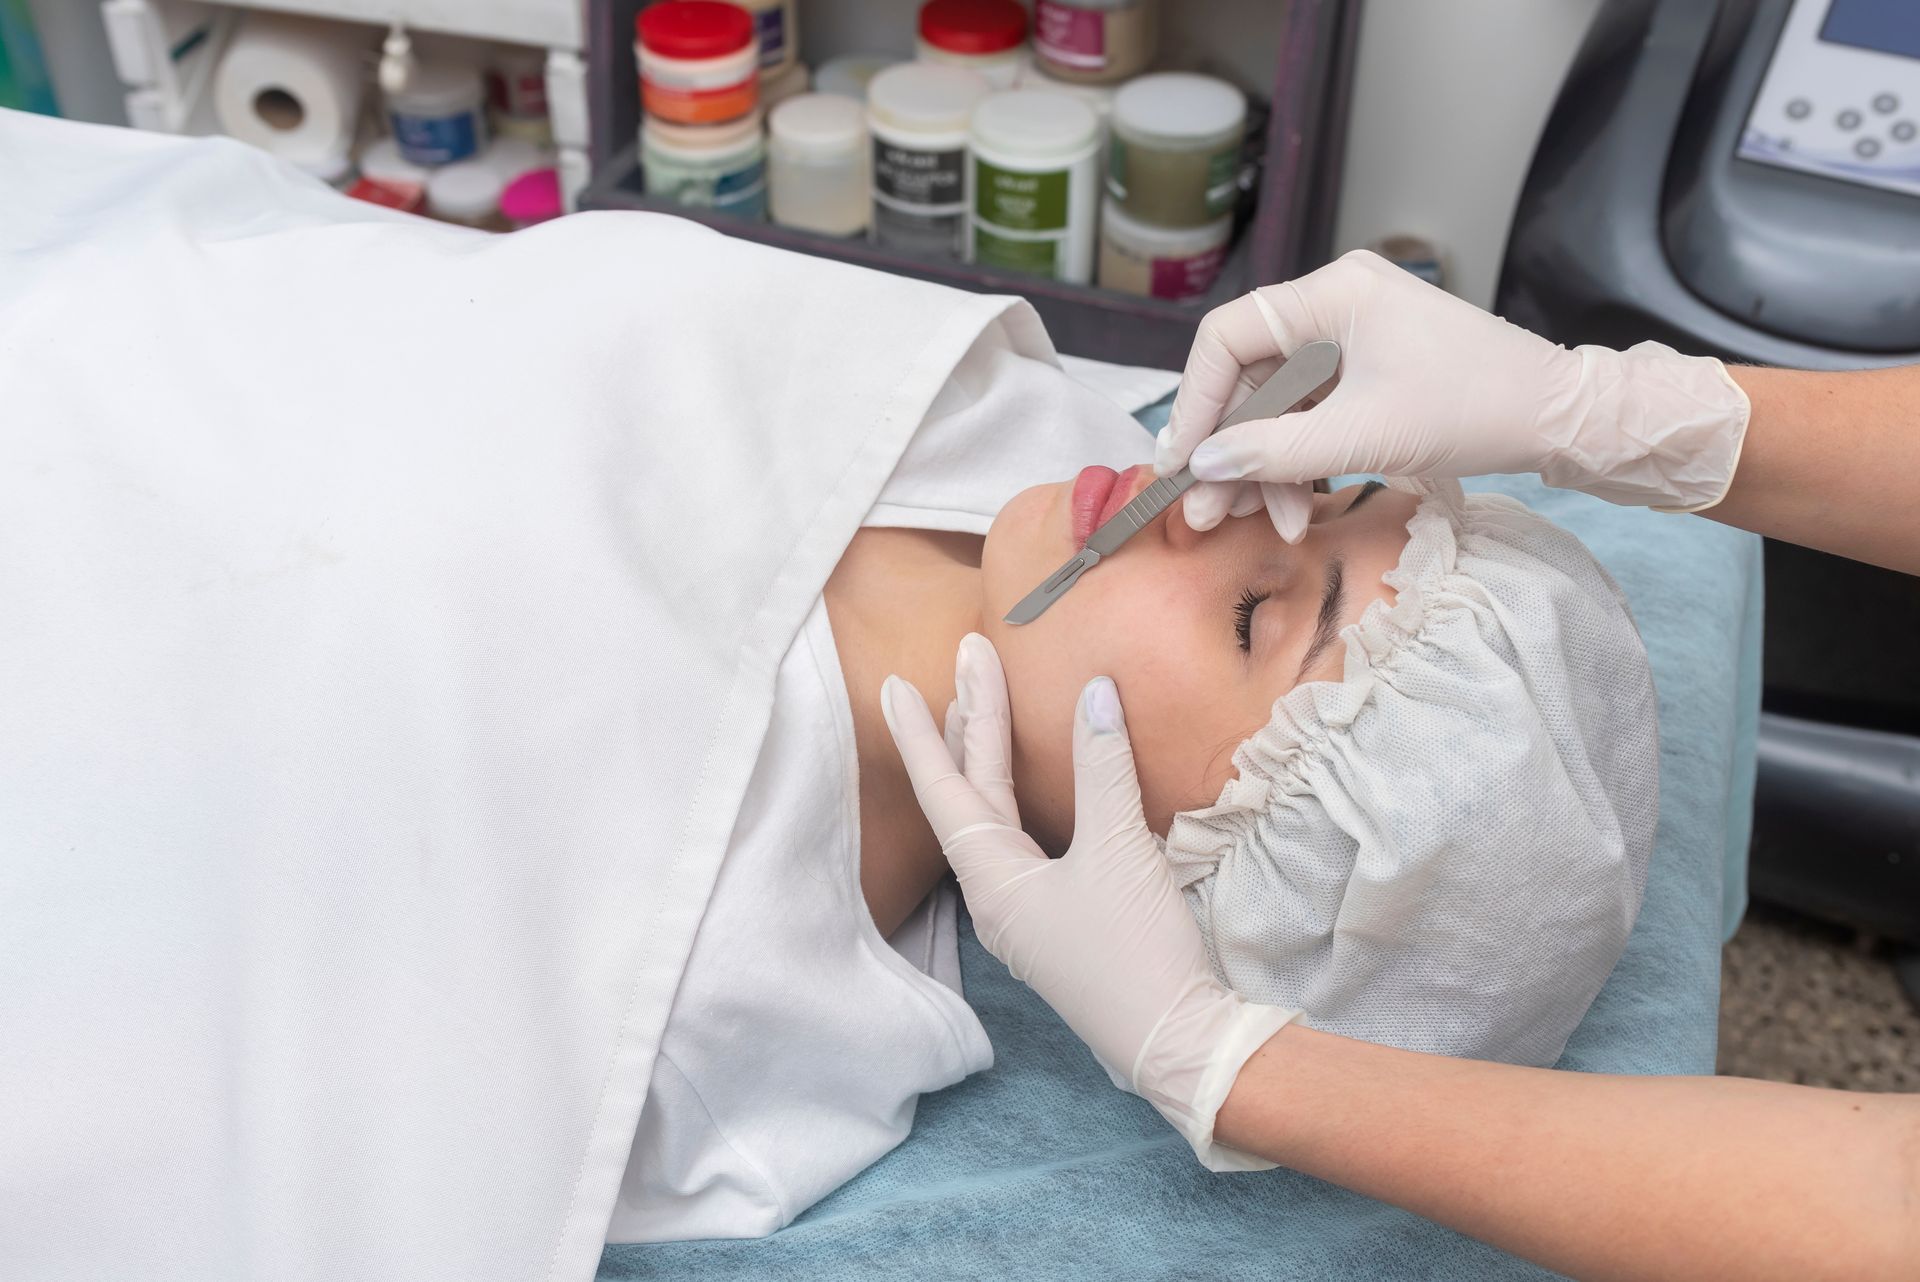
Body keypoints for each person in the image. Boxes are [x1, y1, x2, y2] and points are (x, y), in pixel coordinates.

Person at [883, 250, 1920, 1281]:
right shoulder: (1023, 402)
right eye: (1333, 495)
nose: (1222, 504)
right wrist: (1587, 405)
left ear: (1184, 879)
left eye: (1256, 619)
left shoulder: (757, 940)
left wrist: (1221, 1062)